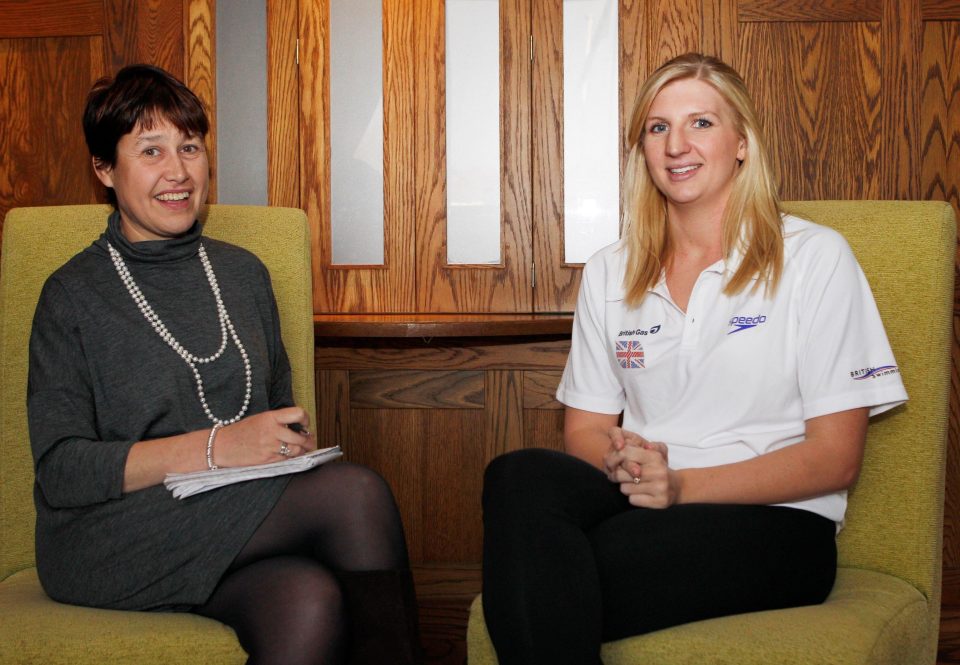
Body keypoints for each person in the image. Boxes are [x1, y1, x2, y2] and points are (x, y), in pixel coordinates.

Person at [480, 52, 908, 664]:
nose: (677, 144)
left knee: (543, 573)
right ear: (643, 150)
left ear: (742, 143)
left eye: (701, 123)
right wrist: (624, 457)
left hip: (777, 525)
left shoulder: (815, 257)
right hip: (644, 504)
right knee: (517, 475)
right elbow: (586, 429)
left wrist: (682, 486)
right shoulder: (611, 269)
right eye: (658, 128)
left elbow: (835, 459)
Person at [27, 64, 420, 665]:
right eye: (150, 150)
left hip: (226, 517)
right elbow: (62, 469)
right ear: (105, 170)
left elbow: (274, 416)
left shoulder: (243, 275)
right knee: (355, 496)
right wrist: (217, 448)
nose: (178, 171)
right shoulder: (73, 293)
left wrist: (284, 445)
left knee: (307, 599)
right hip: (109, 535)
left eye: (189, 147)